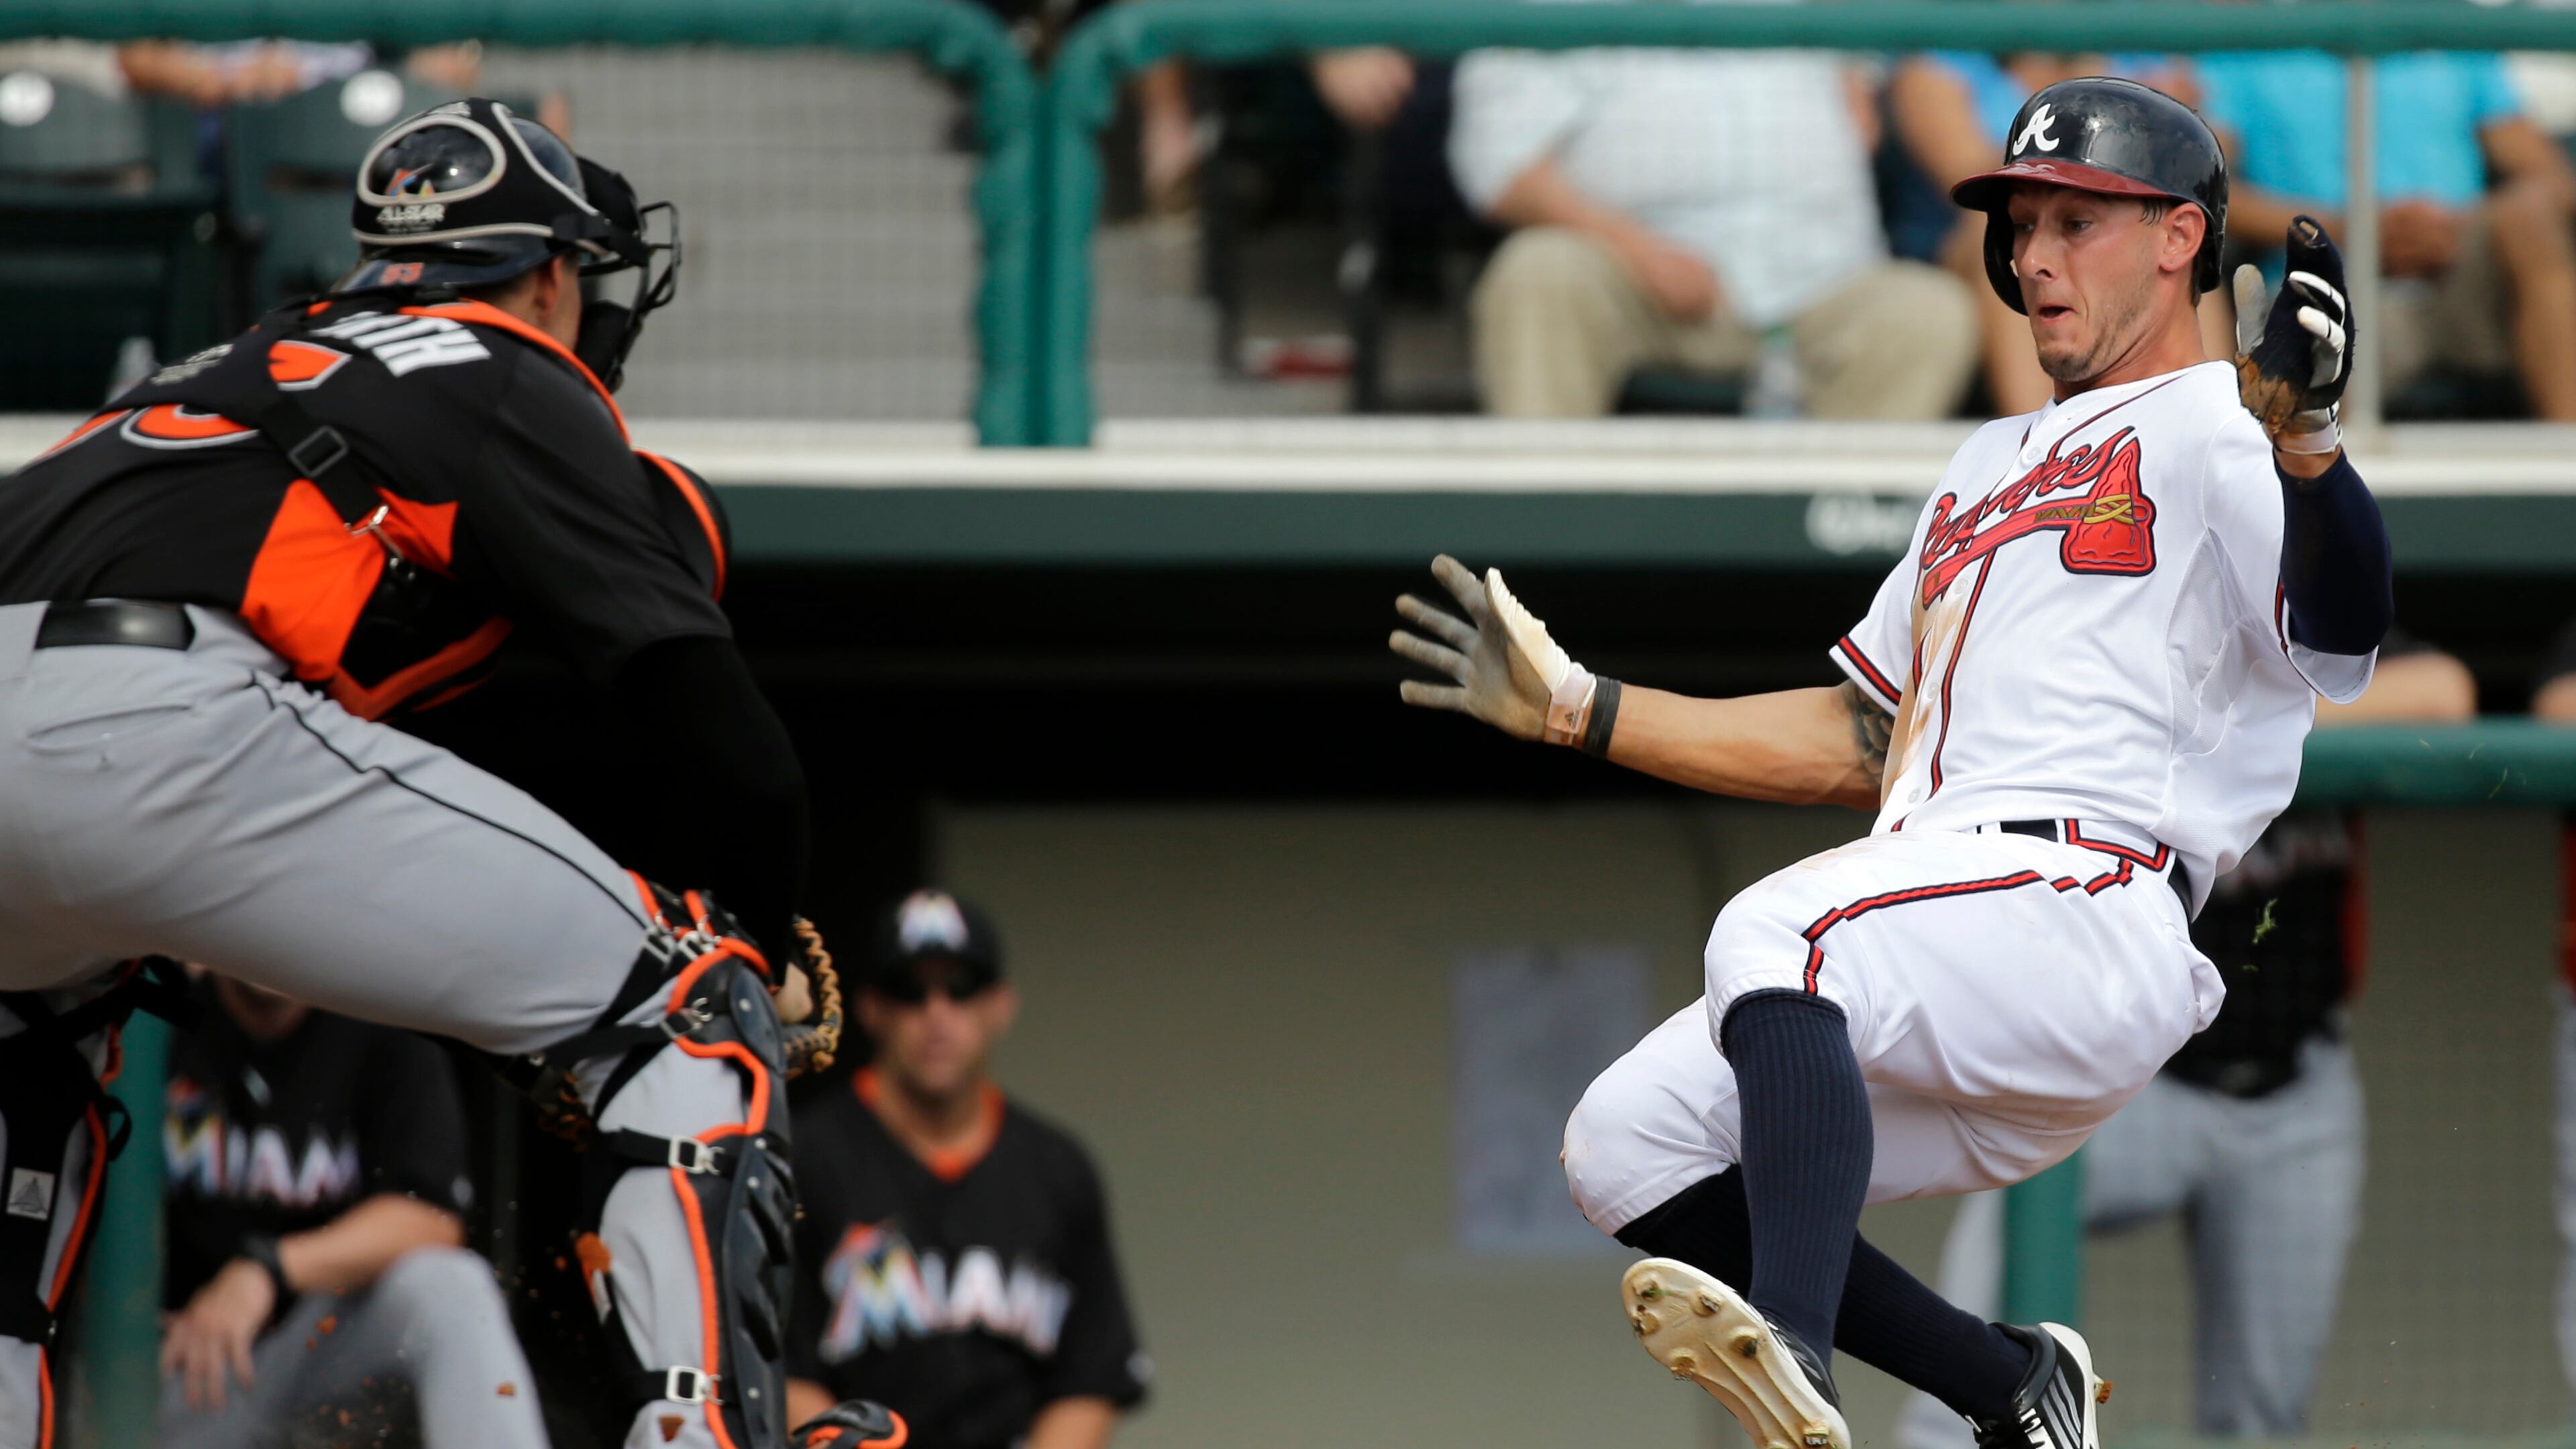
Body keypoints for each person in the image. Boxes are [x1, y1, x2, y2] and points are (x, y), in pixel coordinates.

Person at [1389, 76, 2390, 1449]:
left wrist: (2314, 451)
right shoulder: (1983, 463)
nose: (2034, 254)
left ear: (2177, 238)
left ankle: (1794, 1355)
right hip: (1948, 935)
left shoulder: (2224, 428)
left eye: (2077, 221)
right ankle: (2005, 1386)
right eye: (2020, 222)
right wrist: (1585, 708)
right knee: (1624, 1143)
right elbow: (1859, 736)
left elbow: (2344, 632)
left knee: (1778, 930)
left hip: (2087, 907)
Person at [0, 99, 895, 1449]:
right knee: (688, 1009)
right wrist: (758, 944)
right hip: (154, 717)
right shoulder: (494, 359)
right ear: (545, 275)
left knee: (31, 1104)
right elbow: (731, 746)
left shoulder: (211, 364)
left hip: (69, 720)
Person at [1893, 634, 2477, 1448]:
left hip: (2296, 1095)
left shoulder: (2304, 639)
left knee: (2261, 1422)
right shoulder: (2137, 627)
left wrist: (2246, 722)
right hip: (2128, 1082)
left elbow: (2442, 690)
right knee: (1960, 1391)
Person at [788, 891, 1148, 1449]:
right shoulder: (804, 1157)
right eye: (910, 991)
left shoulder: (1057, 1168)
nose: (937, 1015)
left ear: (1001, 1005)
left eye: (961, 989)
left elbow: (1092, 1379)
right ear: (871, 1009)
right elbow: (781, 1373)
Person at [1446, 43, 1978, 419]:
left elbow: (1863, 84)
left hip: (1819, 279)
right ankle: (1540, 543)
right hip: (1632, 277)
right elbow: (1498, 165)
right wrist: (1634, 249)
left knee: (1929, 311)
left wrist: (1853, 87)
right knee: (1539, 271)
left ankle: (1844, 556)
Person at [157, 972, 538, 1446]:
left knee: (450, 1285)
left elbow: (431, 1217)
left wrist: (267, 1268)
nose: (274, 937)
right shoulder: (156, 1020)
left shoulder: (378, 1018)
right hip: (191, 1361)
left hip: (325, 1345)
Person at [2197, 49, 2576, 419]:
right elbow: (2204, 189)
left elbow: (2549, 177)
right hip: (2327, 281)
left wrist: (2446, 232)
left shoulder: (2453, 30)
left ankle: (2566, 463)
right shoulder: (2251, 44)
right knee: (2312, 327)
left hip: (2461, 273)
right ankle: (2309, 474)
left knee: (2530, 217)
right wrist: (2348, 230)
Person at [1887, 52, 2212, 415]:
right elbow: (1962, 172)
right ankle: (2043, 458)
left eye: (2077, 224)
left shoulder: (2140, 50)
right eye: (2022, 227)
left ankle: (2198, 413)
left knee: (2169, 244)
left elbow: (2208, 172)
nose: (2028, 261)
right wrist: (2099, 121)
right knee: (1991, 226)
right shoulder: (1943, 63)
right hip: (1950, 260)